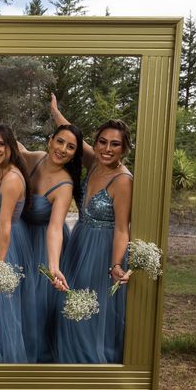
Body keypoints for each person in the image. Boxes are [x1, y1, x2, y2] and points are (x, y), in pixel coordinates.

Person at [0, 97, 83, 362]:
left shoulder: (64, 184)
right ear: (50, 141)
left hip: (42, 243)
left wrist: (53, 265)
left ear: (75, 153)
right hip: (18, 233)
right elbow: (2, 146)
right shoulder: (34, 159)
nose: (62, 149)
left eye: (71, 147)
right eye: (59, 142)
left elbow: (56, 228)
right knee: (11, 301)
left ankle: (16, 357)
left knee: (31, 304)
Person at [50, 96, 133, 363]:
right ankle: (69, 362)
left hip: (103, 249)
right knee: (69, 300)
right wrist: (55, 111)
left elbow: (122, 229)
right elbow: (71, 132)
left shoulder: (123, 180)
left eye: (115, 144)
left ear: (124, 149)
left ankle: (90, 364)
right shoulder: (95, 162)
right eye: (102, 141)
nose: (107, 149)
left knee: (90, 309)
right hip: (79, 242)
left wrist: (116, 265)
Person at [0, 123, 36, 363]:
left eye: (0, 144)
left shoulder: (12, 178)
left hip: (7, 244)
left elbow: (4, 225)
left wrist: (0, 266)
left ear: (11, 147)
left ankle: (5, 361)